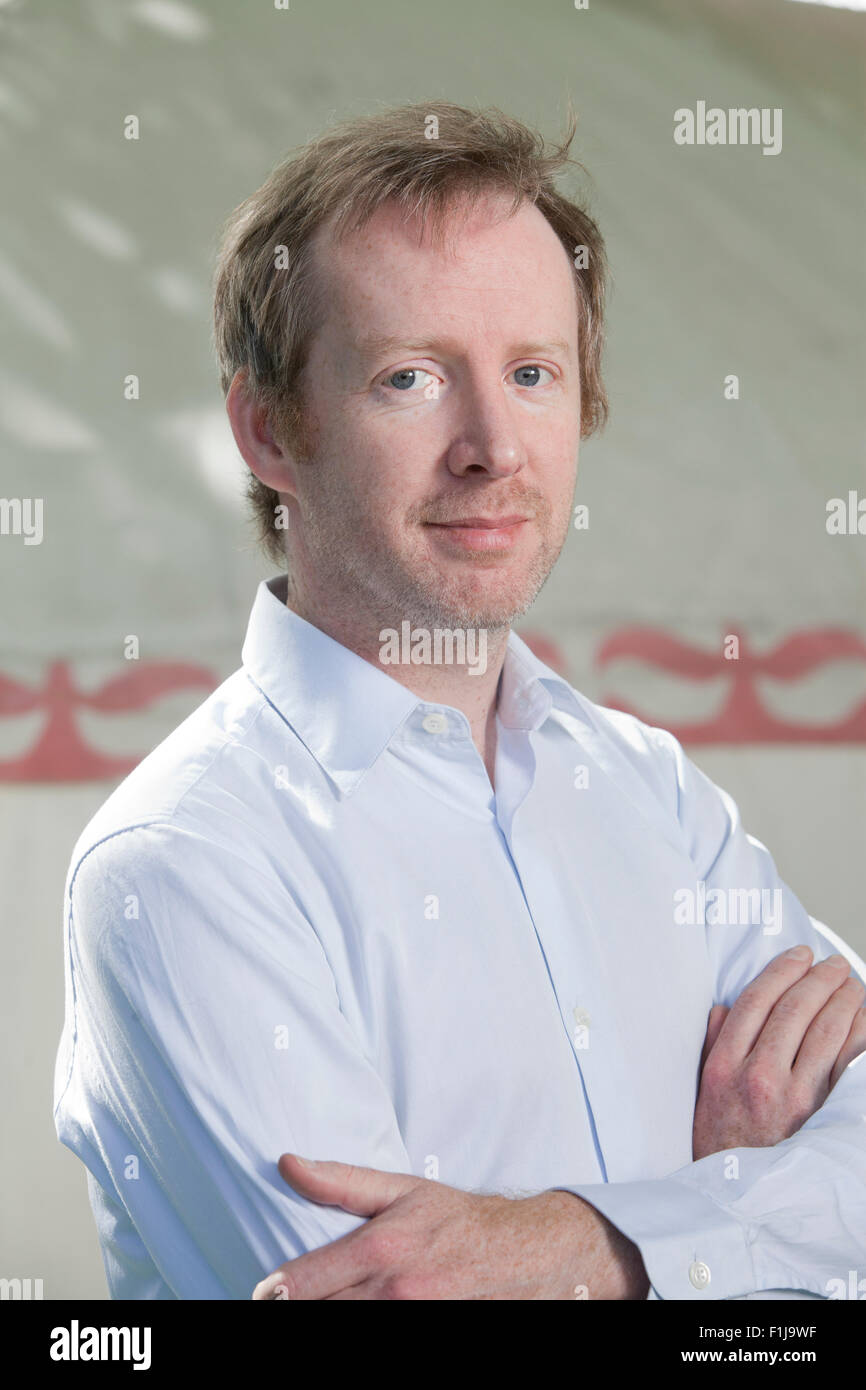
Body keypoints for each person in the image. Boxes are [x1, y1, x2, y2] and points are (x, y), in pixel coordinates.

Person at [54, 101, 866, 1301]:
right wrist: (731, 1213)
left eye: (532, 372)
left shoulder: (650, 790)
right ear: (268, 430)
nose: (493, 446)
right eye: (411, 378)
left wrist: (593, 1248)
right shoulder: (183, 863)